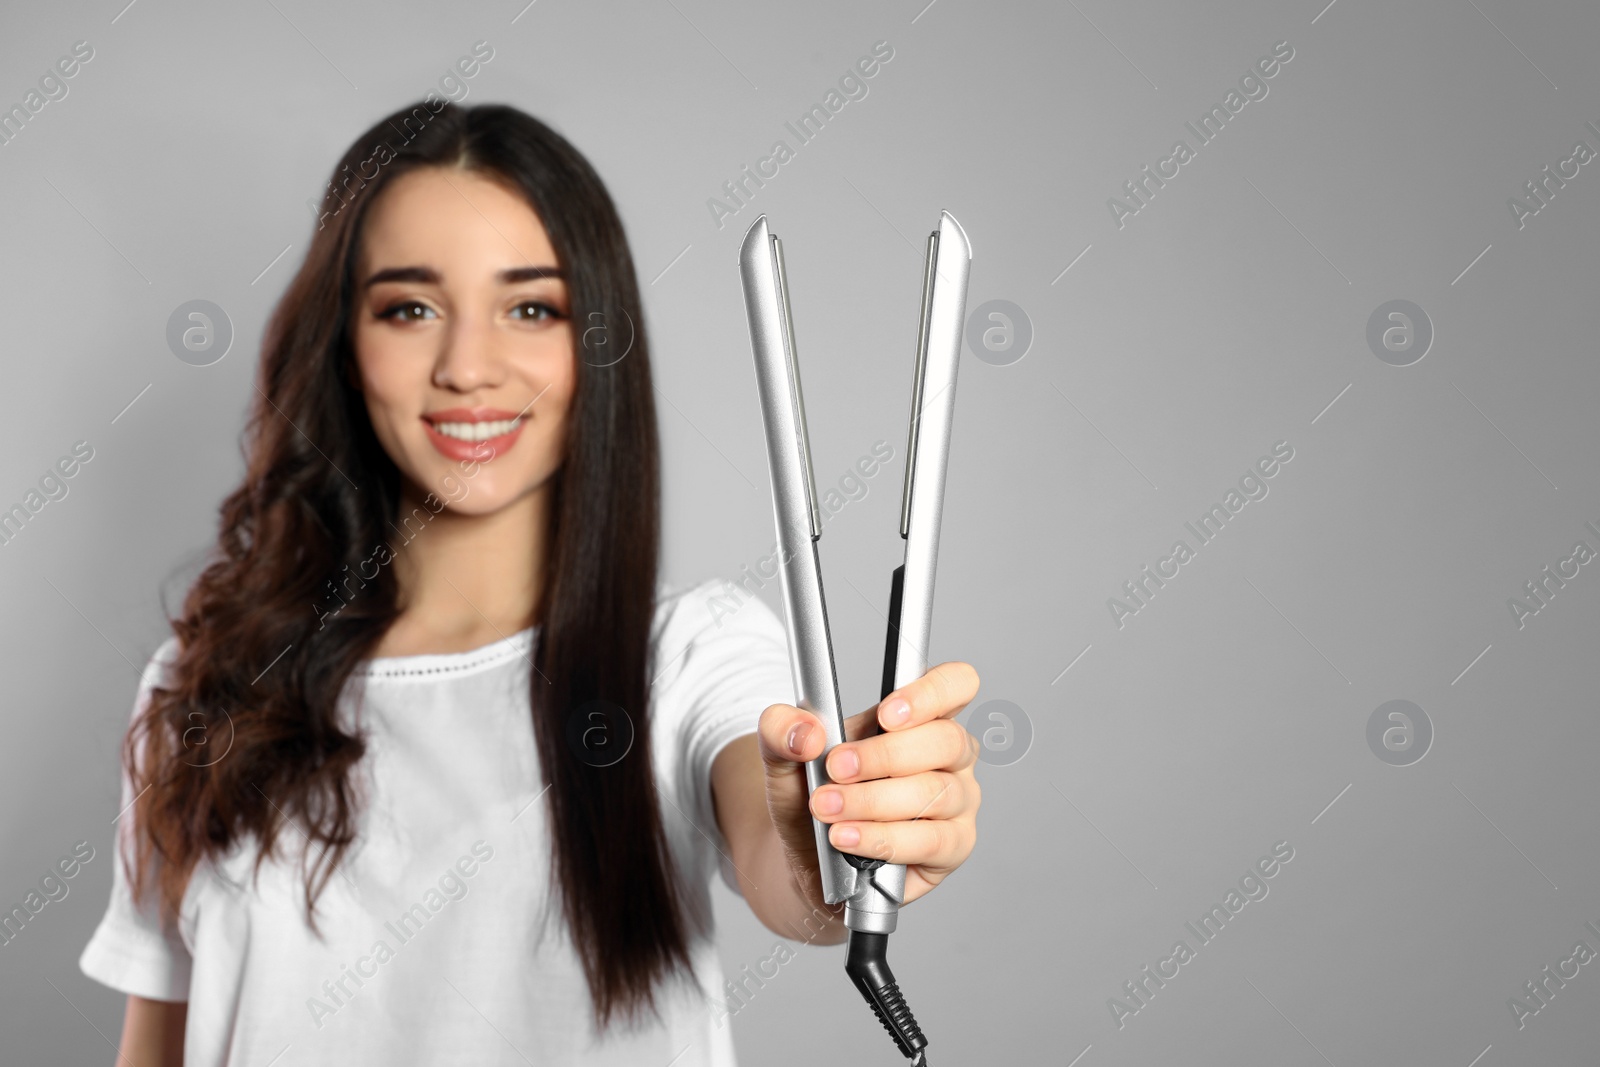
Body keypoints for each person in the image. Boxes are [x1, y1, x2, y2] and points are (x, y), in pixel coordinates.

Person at [78, 99, 981, 1067]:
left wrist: (836, 828)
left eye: (531, 308)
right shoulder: (207, 679)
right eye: (409, 307)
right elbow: (156, 1046)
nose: (469, 366)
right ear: (344, 342)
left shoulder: (689, 654)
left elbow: (783, 857)